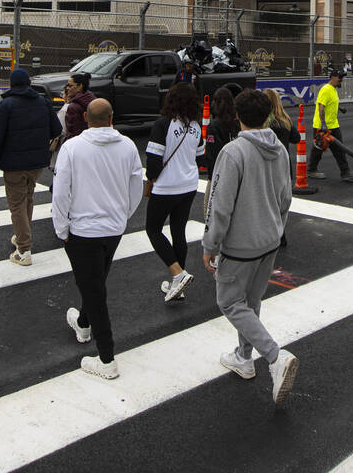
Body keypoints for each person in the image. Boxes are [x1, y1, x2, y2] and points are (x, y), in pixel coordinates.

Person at [202, 88, 297, 404]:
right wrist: (276, 227)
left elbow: (219, 206)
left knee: (230, 302)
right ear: (268, 115)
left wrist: (210, 243)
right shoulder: (279, 149)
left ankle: (274, 356)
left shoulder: (233, 152)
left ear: (238, 116)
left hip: (241, 244)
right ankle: (244, 357)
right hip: (269, 239)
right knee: (251, 302)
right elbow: (285, 197)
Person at [52, 98, 145, 380]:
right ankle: (83, 323)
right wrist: (123, 215)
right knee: (95, 281)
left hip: (83, 230)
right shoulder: (128, 146)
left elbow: (61, 191)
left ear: (86, 119)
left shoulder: (72, 147)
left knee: (94, 289)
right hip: (113, 228)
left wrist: (62, 228)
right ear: (111, 117)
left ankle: (107, 358)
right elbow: (136, 186)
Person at [0, 68, 62, 266]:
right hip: (36, 162)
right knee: (27, 198)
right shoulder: (42, 102)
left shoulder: (6, 105)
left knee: (17, 204)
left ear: (11, 84)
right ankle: (21, 235)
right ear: (29, 83)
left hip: (13, 163)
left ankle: (23, 249)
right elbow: (56, 129)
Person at [145, 82, 206, 302]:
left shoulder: (163, 124)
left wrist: (151, 178)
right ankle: (177, 284)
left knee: (153, 229)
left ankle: (178, 274)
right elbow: (201, 157)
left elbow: (153, 160)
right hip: (189, 184)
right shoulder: (196, 126)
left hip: (166, 186)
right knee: (178, 231)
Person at [307, 70, 353, 181]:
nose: (341, 80)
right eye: (340, 77)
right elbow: (321, 107)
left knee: (340, 150)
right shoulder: (326, 89)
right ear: (332, 77)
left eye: (342, 77)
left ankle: (345, 172)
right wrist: (323, 125)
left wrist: (339, 108)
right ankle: (311, 170)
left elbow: (330, 103)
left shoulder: (333, 89)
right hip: (323, 127)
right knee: (318, 149)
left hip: (333, 125)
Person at [264, 88, 300, 249]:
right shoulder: (285, 120)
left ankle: (271, 235)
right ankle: (281, 234)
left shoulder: (266, 122)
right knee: (281, 203)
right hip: (285, 166)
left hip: (269, 166)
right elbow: (296, 138)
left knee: (268, 202)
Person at [203, 86, 240, 184]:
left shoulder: (214, 126)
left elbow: (212, 155)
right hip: (237, 172)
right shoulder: (238, 123)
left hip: (220, 175)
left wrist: (212, 177)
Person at [61, 72, 95, 138]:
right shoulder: (94, 100)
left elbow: (73, 132)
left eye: (70, 85)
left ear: (80, 86)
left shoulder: (73, 107)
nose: (67, 88)